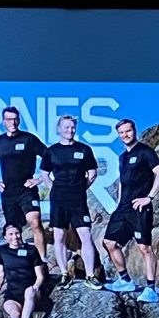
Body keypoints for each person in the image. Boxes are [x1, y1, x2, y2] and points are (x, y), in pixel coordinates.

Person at [101, 116, 159, 303]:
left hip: (140, 208)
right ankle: (125, 281)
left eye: (128, 131)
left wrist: (149, 198)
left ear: (134, 131)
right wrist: (119, 202)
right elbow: (123, 182)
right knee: (109, 242)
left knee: (144, 248)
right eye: (121, 133)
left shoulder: (145, 152)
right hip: (123, 208)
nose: (125, 135)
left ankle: (151, 290)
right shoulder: (122, 157)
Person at [41, 112, 102, 283]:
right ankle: (64, 274)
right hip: (58, 199)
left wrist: (80, 188)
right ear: (59, 129)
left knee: (86, 235)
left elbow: (92, 173)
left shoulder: (84, 149)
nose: (70, 130)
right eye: (66, 127)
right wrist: (54, 188)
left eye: (73, 127)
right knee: (59, 236)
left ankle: (90, 275)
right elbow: (44, 174)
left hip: (78, 200)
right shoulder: (51, 151)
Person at [0, 105, 45, 252]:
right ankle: (20, 259)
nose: (13, 122)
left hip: (27, 189)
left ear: (19, 120)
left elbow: (49, 157)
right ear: (4, 121)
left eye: (15, 119)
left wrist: (39, 179)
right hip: (9, 192)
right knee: (14, 229)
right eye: (9, 119)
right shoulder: (0, 141)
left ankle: (42, 259)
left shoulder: (28, 139)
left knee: (35, 222)